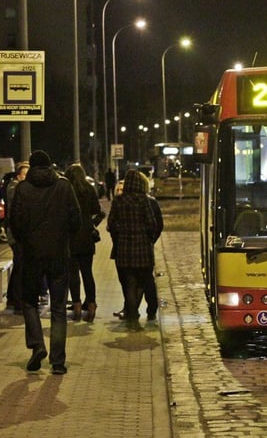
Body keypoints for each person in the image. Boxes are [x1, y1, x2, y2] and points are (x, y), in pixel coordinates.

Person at [8, 150, 81, 375]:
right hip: (59, 254)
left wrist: (25, 242)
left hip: (32, 255)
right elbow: (75, 218)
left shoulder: (22, 189)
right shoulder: (64, 186)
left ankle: (37, 345)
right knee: (58, 308)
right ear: (50, 165)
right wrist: (64, 238)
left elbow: (14, 222)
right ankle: (58, 362)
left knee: (29, 301)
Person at [107, 169, 163, 331]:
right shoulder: (143, 201)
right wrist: (148, 238)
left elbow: (111, 224)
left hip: (124, 249)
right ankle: (134, 315)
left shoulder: (119, 201)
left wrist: (121, 234)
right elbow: (153, 224)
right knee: (141, 282)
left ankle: (132, 316)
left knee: (129, 284)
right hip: (143, 249)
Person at [64, 163, 102, 322]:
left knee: (73, 274)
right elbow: (97, 210)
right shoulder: (89, 189)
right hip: (86, 236)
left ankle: (77, 306)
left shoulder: (66, 190)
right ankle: (92, 305)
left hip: (71, 237)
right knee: (88, 273)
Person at [4, 162, 29, 314]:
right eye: (25, 176)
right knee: (21, 266)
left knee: (19, 265)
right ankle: (18, 303)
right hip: (15, 233)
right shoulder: (14, 188)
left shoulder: (18, 187)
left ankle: (12, 298)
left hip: (18, 232)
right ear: (19, 175)